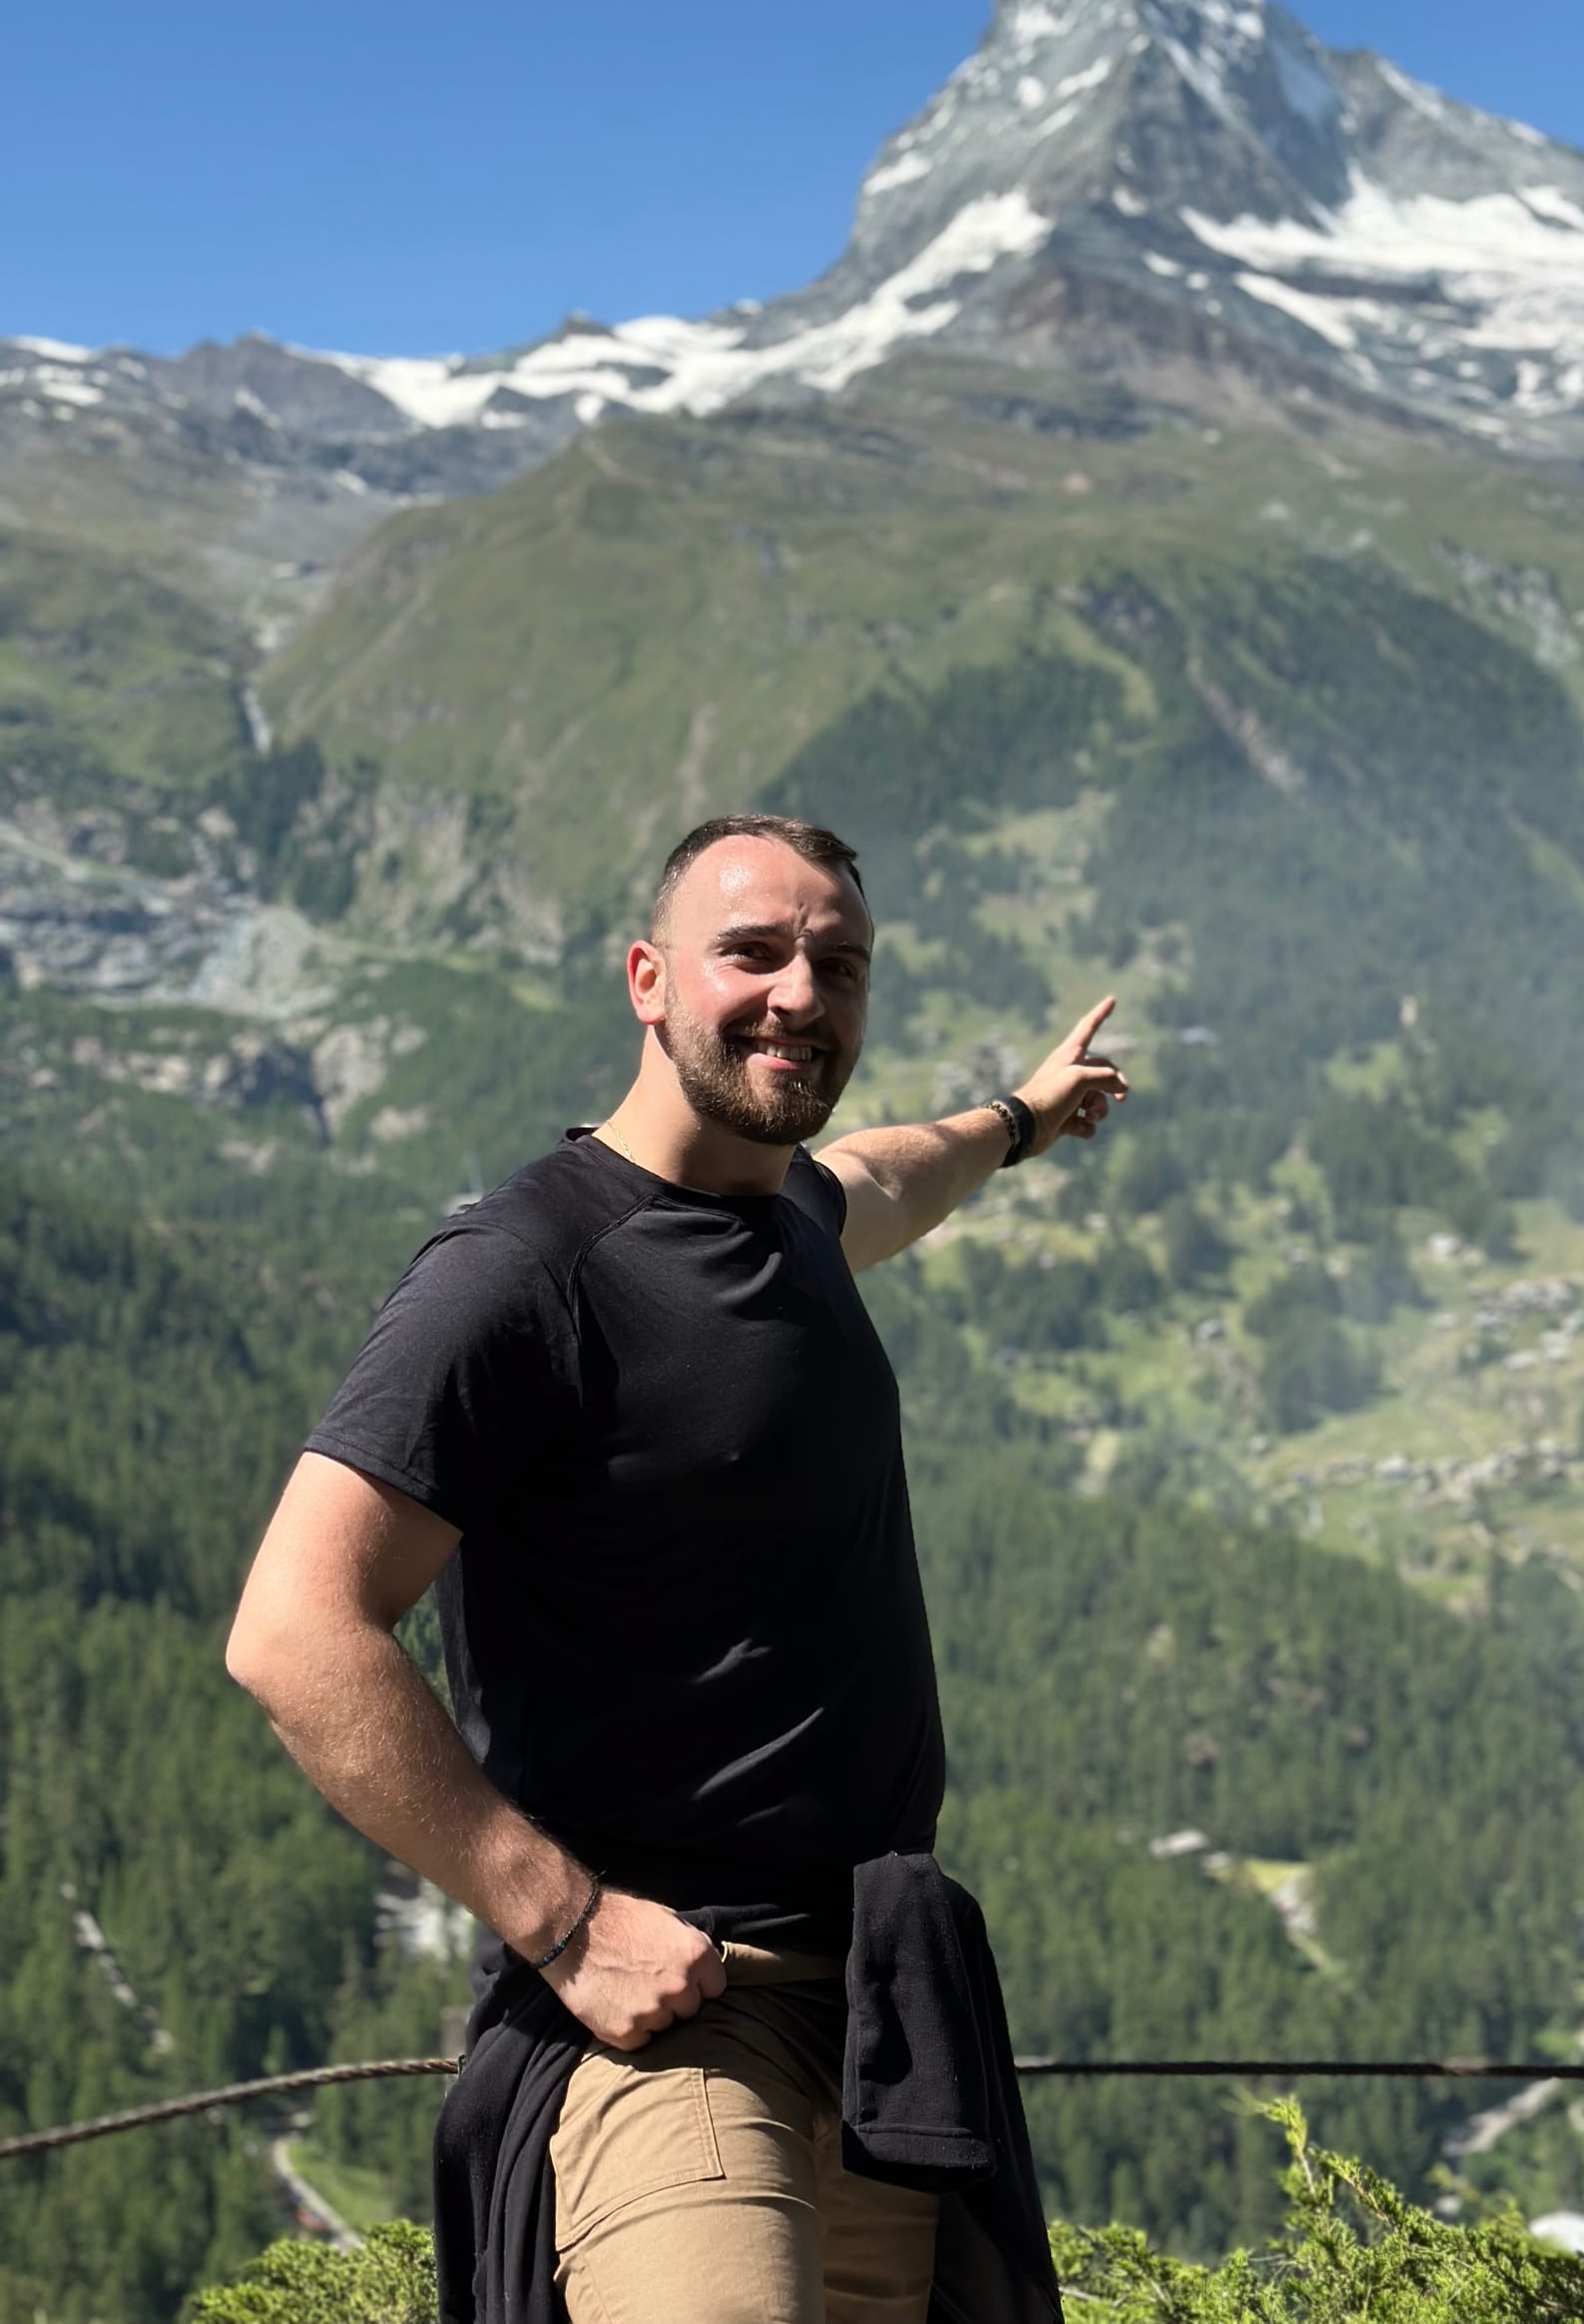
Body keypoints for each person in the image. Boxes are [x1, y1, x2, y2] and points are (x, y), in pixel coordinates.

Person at [227, 813, 1129, 2324]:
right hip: (676, 2027)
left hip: (873, 2020)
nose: (800, 994)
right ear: (648, 980)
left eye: (837, 966)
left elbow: (888, 1176)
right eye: (754, 953)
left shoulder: (793, 1221)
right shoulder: (523, 1276)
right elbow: (294, 1632)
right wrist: (564, 1919)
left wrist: (1022, 1118)